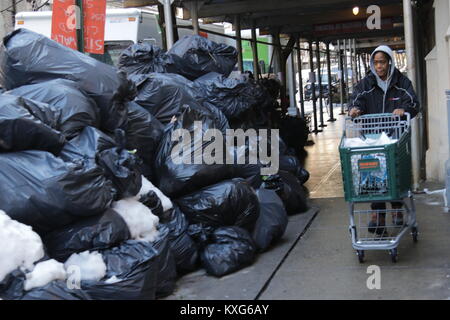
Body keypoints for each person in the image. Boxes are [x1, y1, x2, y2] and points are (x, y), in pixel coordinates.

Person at [348, 45, 419, 236]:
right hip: (372, 139)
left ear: (389, 62)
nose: (379, 66)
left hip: (395, 137)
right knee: (373, 172)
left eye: (382, 62)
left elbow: (413, 101)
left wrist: (404, 110)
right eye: (376, 62)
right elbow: (356, 100)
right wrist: (354, 110)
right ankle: (377, 213)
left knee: (394, 171)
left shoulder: (402, 82)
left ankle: (396, 207)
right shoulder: (366, 84)